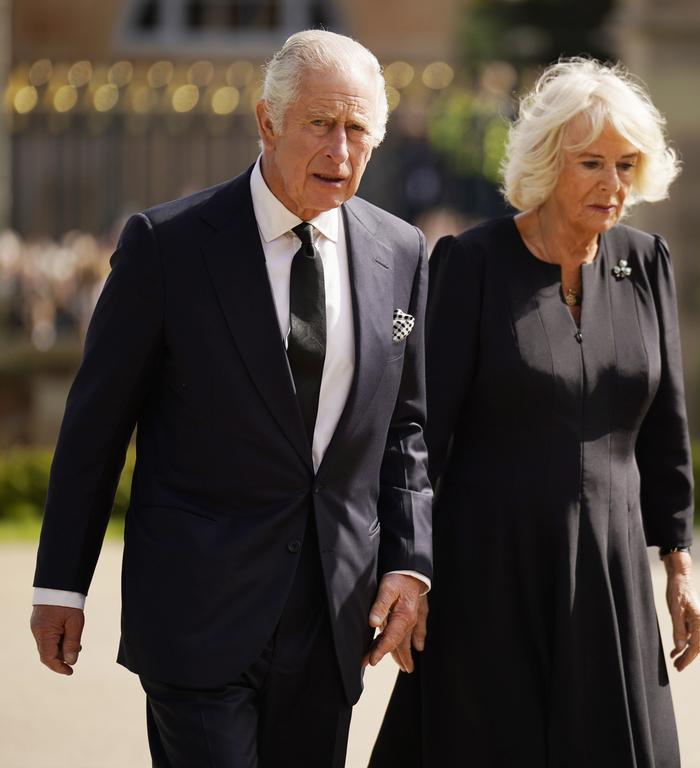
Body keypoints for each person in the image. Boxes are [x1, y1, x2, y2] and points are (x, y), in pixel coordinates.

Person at [30, 29, 432, 768]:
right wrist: (62, 584)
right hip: (196, 611)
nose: (340, 153)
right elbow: (96, 427)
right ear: (267, 121)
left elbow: (404, 428)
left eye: (358, 130)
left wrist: (409, 565)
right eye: (319, 124)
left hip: (333, 615)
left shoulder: (401, 251)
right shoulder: (168, 245)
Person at [371, 58, 700, 768]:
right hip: (488, 573)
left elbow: (666, 429)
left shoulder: (646, 263)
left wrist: (677, 564)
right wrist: (409, 567)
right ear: (549, 160)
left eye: (625, 164)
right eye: (592, 162)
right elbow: (421, 432)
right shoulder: (473, 263)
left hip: (612, 575)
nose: (612, 185)